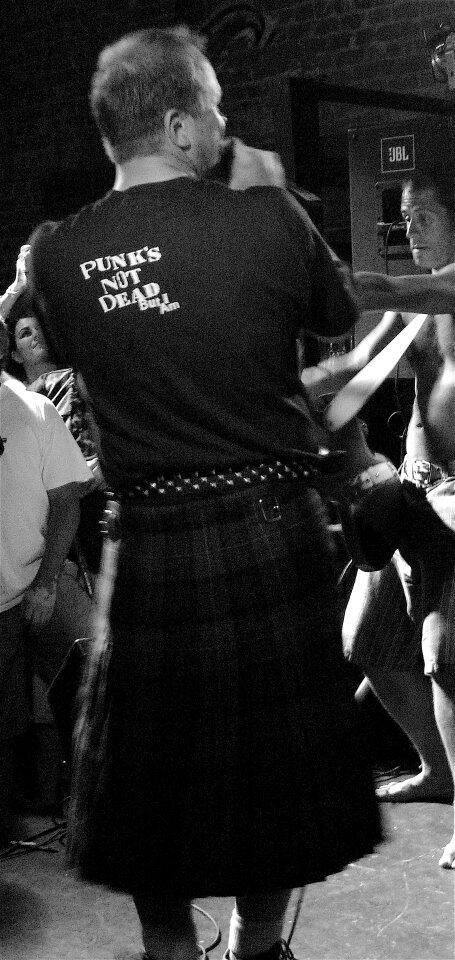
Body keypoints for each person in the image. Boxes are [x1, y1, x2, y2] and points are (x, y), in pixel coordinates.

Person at [27, 26, 381, 960]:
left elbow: (81, 351)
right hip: (267, 527)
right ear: (182, 125)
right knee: (271, 770)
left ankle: (168, 950)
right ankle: (257, 946)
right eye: (217, 109)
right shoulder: (266, 216)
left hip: (144, 542)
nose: (225, 127)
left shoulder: (55, 255)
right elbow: (336, 316)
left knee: (150, 778)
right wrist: (270, 196)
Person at [338, 168, 455, 871]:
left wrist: (327, 280)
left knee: (445, 654)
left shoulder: (440, 291)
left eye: (423, 217)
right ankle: (438, 768)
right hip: (417, 491)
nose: (408, 230)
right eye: (403, 219)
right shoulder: (414, 309)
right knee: (367, 639)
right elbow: (358, 374)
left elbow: (387, 288)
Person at [0, 319, 93, 843]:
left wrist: (47, 581)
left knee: (94, 671)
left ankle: (95, 803)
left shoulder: (36, 409)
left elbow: (65, 502)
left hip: (38, 577)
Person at [2, 246, 105, 573]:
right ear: (12, 352)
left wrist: (105, 465)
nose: (36, 335)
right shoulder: (17, 400)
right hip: (56, 518)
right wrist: (15, 290)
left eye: (39, 328)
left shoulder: (82, 375)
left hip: (107, 496)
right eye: (24, 332)